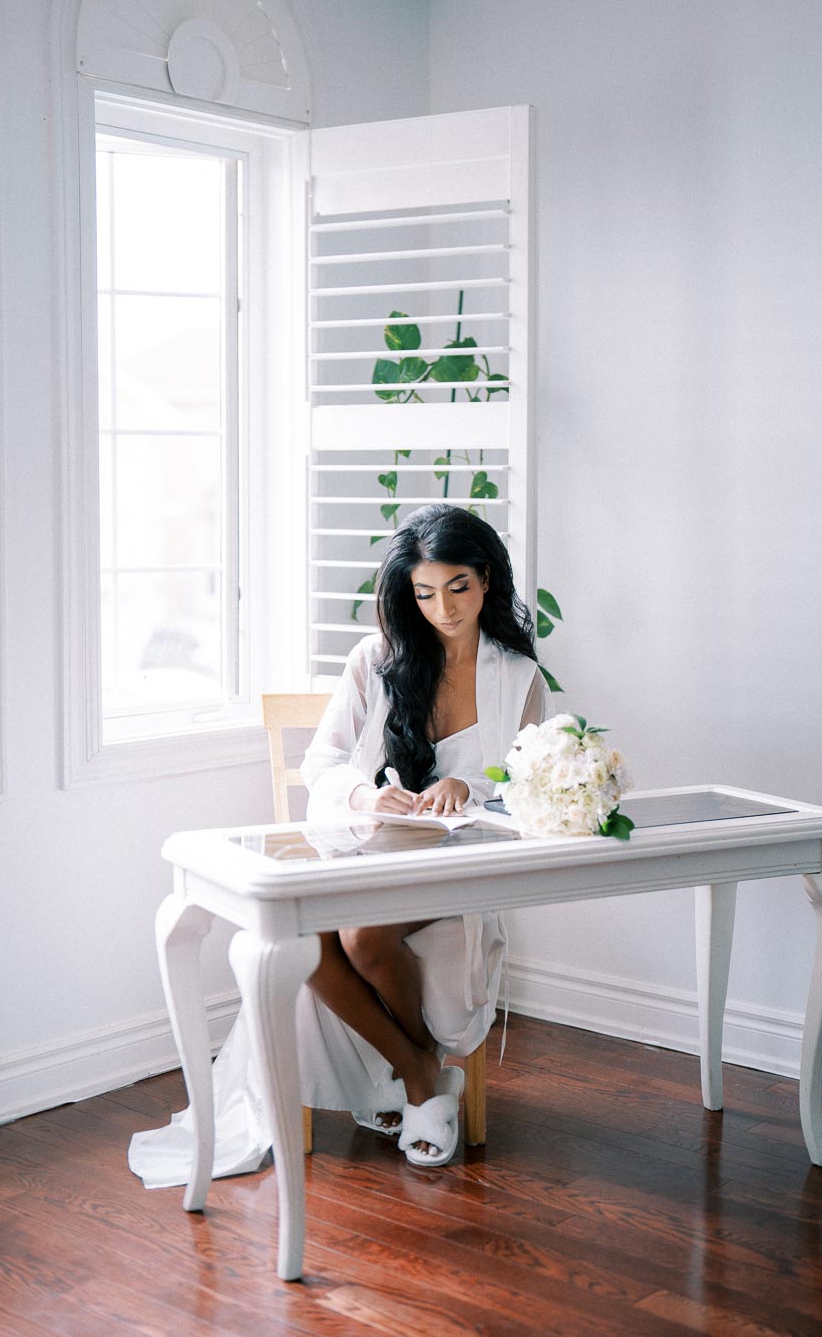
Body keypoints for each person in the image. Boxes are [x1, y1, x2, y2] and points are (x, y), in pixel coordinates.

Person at [128, 505, 543, 1186]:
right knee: (304, 940)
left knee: (361, 937)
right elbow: (321, 764)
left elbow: (528, 790)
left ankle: (412, 1079)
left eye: (458, 587)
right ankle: (417, 1072)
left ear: (487, 579)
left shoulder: (518, 677)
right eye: (424, 592)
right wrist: (364, 795)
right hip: (370, 848)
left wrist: (468, 788)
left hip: (460, 864)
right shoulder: (377, 658)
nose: (442, 607)